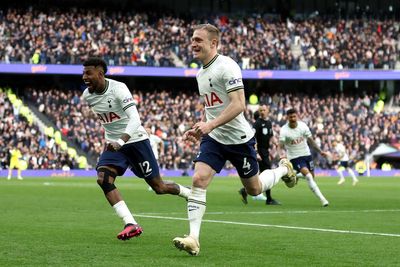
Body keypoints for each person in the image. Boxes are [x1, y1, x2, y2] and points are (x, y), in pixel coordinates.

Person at [172, 24, 296, 256]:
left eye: (199, 39)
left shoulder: (227, 66)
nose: (193, 43)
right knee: (199, 179)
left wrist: (209, 124)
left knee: (254, 188)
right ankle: (193, 239)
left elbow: (239, 104)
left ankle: (283, 169)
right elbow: (212, 108)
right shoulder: (200, 74)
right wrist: (202, 127)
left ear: (214, 43)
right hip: (215, 139)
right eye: (192, 39)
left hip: (240, 140)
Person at [81, 57, 190, 241]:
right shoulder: (87, 95)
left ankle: (189, 193)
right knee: (104, 178)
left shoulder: (119, 89)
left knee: (159, 187)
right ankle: (130, 223)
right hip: (114, 145)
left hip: (136, 140)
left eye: (88, 73)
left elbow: (135, 119)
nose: (84, 77)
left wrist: (121, 140)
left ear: (100, 74)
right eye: (83, 73)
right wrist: (114, 141)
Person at [278, 108, 329, 207]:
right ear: (287, 118)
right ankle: (323, 200)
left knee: (311, 177)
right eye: (290, 117)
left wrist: (320, 151)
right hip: (294, 157)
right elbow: (280, 145)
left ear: (297, 116)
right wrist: (281, 155)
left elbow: (310, 140)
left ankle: (294, 176)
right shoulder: (284, 130)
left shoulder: (303, 126)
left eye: (294, 116)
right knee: (309, 176)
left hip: (306, 154)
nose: (293, 118)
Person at [238, 105, 280, 205]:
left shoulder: (269, 123)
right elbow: (253, 138)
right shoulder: (257, 123)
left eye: (264, 110)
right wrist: (256, 152)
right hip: (259, 151)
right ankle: (269, 199)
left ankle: (245, 190)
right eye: (260, 110)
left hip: (265, 151)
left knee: (263, 174)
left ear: (268, 111)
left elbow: (271, 136)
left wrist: (276, 143)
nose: (262, 112)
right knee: (268, 173)